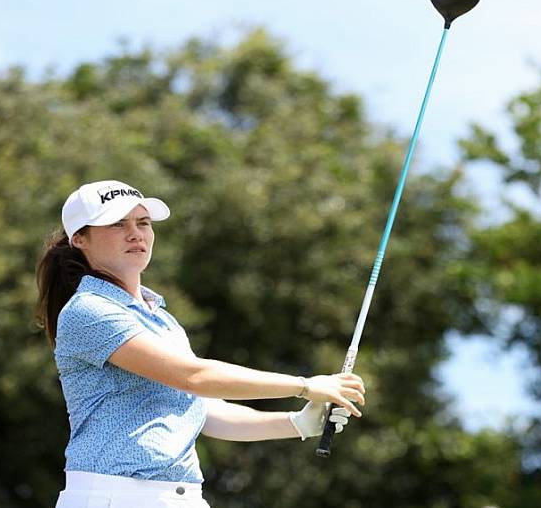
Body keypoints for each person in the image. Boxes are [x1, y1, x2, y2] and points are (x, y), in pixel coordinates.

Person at [36, 180, 366, 508]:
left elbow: (203, 408)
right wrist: (304, 386)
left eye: (143, 223)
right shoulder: (88, 309)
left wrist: (296, 423)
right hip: (114, 495)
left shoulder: (162, 319)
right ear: (79, 238)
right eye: (117, 224)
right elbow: (193, 376)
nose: (135, 233)